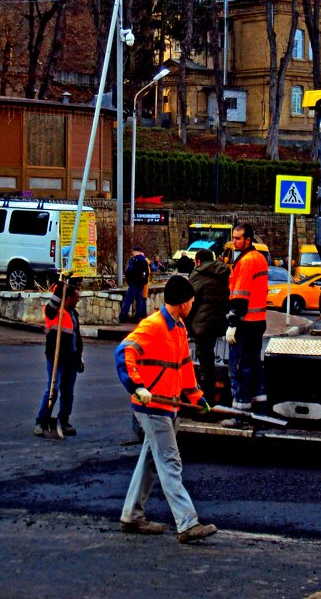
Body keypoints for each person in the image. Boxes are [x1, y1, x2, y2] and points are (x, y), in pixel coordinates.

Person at [114, 274, 218, 543]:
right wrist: (137, 386)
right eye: (192, 300)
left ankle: (132, 516)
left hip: (168, 405)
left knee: (150, 460)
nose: (193, 303)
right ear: (183, 303)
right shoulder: (153, 326)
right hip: (153, 406)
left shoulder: (179, 328)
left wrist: (196, 397)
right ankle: (187, 523)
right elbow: (123, 353)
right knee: (170, 461)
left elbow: (183, 367)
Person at [224, 222, 269, 424]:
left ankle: (239, 415)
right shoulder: (260, 258)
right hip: (258, 322)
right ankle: (259, 410)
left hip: (245, 322)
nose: (234, 241)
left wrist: (233, 323)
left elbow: (241, 297)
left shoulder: (246, 261)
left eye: (238, 238)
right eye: (233, 237)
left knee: (239, 368)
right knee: (253, 365)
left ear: (248, 240)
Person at [34, 275, 84, 437]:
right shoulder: (54, 312)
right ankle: (41, 421)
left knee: (68, 391)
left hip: (71, 358)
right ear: (68, 298)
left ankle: (64, 420)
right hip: (56, 358)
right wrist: (62, 282)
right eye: (76, 297)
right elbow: (53, 302)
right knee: (52, 390)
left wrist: (79, 358)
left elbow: (77, 338)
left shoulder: (73, 314)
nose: (78, 300)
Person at [187, 249, 230, 405]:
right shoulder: (223, 273)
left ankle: (206, 399)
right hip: (218, 322)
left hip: (201, 324)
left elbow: (190, 300)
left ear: (198, 261)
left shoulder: (197, 275)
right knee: (209, 357)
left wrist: (186, 325)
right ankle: (212, 394)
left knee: (204, 361)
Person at [120, 245, 149, 322]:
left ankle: (123, 316)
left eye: (132, 251)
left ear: (135, 251)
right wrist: (144, 282)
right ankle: (137, 317)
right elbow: (147, 273)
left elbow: (129, 271)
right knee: (139, 300)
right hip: (141, 284)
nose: (132, 252)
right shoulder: (144, 260)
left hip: (134, 283)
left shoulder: (134, 260)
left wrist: (129, 282)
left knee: (128, 299)